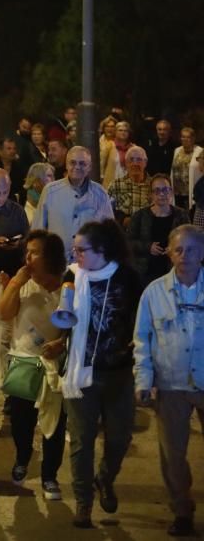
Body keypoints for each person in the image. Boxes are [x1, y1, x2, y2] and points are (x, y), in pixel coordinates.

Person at [60, 219, 142, 528]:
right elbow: (64, 319)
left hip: (119, 372)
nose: (76, 254)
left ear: (103, 250)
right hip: (81, 371)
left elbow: (141, 317)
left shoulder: (127, 278)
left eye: (82, 249)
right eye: (75, 248)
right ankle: (83, 502)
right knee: (82, 440)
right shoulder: (73, 274)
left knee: (119, 439)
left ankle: (105, 478)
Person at [132, 224, 204, 537]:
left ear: (201, 254)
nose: (184, 255)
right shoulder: (153, 293)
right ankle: (182, 510)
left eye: (191, 249)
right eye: (178, 249)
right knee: (173, 455)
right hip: (171, 384)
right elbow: (142, 341)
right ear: (170, 254)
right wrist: (143, 381)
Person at [0, 230, 68, 501]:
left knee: (54, 424)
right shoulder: (22, 282)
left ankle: (50, 476)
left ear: (50, 256)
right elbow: (3, 313)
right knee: (22, 422)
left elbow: (76, 324)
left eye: (34, 252)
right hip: (23, 361)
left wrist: (61, 342)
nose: (28, 256)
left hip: (54, 367)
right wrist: (14, 284)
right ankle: (22, 458)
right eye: (27, 251)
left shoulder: (67, 286)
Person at [31, 146, 114, 264]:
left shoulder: (100, 194)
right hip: (56, 263)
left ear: (89, 167)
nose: (77, 167)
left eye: (82, 163)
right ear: (66, 164)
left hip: (89, 264)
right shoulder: (50, 191)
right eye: (73, 162)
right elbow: (38, 230)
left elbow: (110, 234)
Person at [127, 174, 190, 286]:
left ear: (171, 192)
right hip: (145, 273)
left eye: (165, 190)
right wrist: (148, 247)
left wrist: (174, 249)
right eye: (157, 190)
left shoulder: (181, 215)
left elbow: (189, 240)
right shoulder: (139, 216)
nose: (161, 194)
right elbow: (128, 243)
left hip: (174, 271)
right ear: (151, 194)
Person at [107, 145, 151, 226]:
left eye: (139, 160)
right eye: (131, 160)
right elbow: (106, 213)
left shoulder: (153, 186)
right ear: (126, 163)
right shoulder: (115, 185)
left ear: (145, 163)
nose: (135, 163)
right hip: (122, 234)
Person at [0, 138, 27, 205]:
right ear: (0, 151)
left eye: (14, 148)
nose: (13, 151)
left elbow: (23, 189)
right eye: (9, 149)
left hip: (14, 206)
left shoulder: (21, 168)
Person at [171, 127, 202, 209]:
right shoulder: (177, 150)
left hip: (191, 192)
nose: (185, 139)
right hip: (177, 192)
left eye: (188, 137)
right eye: (183, 137)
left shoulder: (200, 151)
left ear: (193, 138)